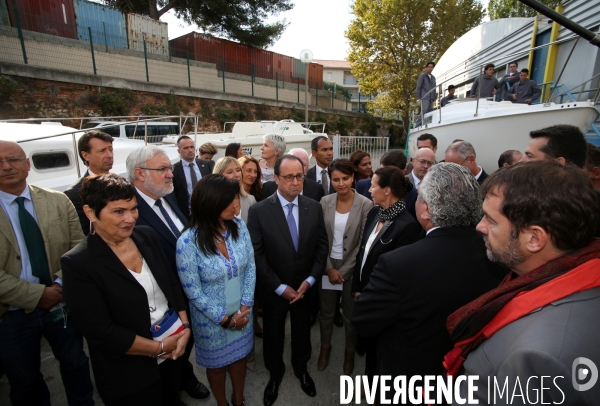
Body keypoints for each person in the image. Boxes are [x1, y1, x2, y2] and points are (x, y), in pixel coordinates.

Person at [448, 161, 600, 405]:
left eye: (491, 220)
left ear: (534, 238)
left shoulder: (540, 357)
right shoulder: (574, 276)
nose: (480, 226)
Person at [351, 164, 503, 401]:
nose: (414, 200)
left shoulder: (398, 263)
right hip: (467, 378)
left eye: (419, 196)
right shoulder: (500, 256)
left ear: (426, 210)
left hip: (408, 381)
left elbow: (363, 320)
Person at [62, 173, 189, 406]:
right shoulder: (79, 263)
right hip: (129, 373)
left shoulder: (147, 236)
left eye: (133, 209)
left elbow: (171, 284)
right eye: (119, 211)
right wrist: (158, 347)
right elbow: (101, 331)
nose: (130, 219)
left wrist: (185, 326)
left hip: (173, 352)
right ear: (90, 212)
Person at [0, 140, 94, 406]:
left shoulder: (56, 200)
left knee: (76, 365)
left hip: (61, 303)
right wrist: (37, 295)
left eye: (14, 159)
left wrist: (60, 284)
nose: (7, 167)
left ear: (27, 164)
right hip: (12, 315)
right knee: (24, 381)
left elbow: (79, 247)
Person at [127, 146, 210, 400]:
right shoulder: (129, 211)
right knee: (165, 353)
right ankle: (170, 392)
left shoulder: (167, 195)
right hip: (161, 299)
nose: (170, 174)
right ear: (140, 174)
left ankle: (185, 376)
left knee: (186, 342)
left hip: (188, 289)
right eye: (162, 169)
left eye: (169, 168)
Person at [247, 155, 328, 406]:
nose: (296, 182)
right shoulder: (259, 210)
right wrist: (280, 287)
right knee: (273, 333)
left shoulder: (314, 206)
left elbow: (321, 247)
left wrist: (312, 279)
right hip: (274, 290)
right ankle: (275, 373)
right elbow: (257, 255)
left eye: (300, 176)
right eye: (289, 177)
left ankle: (301, 369)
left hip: (305, 289)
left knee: (303, 331)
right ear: (276, 178)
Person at [177, 174, 255, 406]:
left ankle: (238, 400)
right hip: (211, 321)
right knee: (217, 366)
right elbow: (193, 291)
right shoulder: (187, 243)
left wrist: (245, 305)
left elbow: (250, 266)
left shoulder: (239, 227)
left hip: (243, 313)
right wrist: (225, 320)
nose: (236, 205)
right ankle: (222, 403)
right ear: (209, 202)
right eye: (229, 200)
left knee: (239, 359)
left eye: (236, 198)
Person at [351, 167, 422, 382]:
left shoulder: (407, 226)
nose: (370, 189)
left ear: (388, 190)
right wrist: (356, 287)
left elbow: (400, 275)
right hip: (362, 293)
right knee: (367, 343)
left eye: (373, 185)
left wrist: (370, 294)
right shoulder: (375, 212)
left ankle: (374, 385)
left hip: (382, 300)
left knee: (379, 346)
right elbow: (362, 252)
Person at [317, 159, 372, 375]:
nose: (341, 183)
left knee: (350, 315)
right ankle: (325, 349)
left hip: (352, 268)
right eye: (336, 179)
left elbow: (363, 241)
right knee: (327, 313)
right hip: (328, 266)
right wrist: (329, 268)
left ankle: (349, 354)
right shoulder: (324, 202)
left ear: (353, 178)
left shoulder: (366, 204)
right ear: (330, 180)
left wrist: (345, 271)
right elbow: (320, 238)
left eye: (345, 178)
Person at [64, 130, 114, 234]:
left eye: (110, 149)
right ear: (86, 156)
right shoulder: (74, 193)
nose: (109, 155)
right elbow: (83, 234)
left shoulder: (123, 184)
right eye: (102, 151)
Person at [172, 135, 214, 220]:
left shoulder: (206, 165)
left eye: (192, 147)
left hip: (207, 212)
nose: (190, 150)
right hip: (187, 214)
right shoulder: (174, 170)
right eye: (186, 148)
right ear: (179, 151)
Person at [213, 157, 257, 223]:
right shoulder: (212, 200)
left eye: (238, 170)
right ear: (219, 176)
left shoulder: (250, 200)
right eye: (230, 172)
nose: (237, 175)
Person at [416, 61, 437, 125]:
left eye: (431, 67)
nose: (430, 68)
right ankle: (417, 124)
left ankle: (425, 124)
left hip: (431, 98)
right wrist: (418, 98)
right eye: (428, 67)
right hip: (424, 97)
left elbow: (434, 88)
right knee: (424, 110)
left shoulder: (433, 78)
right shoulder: (422, 76)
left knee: (430, 112)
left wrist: (434, 98)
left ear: (433, 68)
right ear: (426, 68)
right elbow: (418, 87)